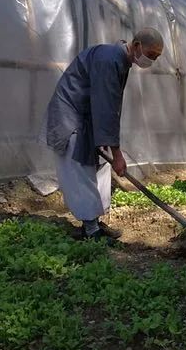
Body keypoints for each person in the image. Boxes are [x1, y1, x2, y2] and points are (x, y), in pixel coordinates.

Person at [42, 28, 164, 242]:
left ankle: (94, 222)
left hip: (87, 119)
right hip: (70, 118)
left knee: (100, 166)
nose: (151, 60)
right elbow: (105, 106)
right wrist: (117, 153)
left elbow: (109, 106)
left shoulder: (120, 61)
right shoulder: (110, 60)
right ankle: (91, 231)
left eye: (156, 57)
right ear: (136, 46)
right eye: (151, 55)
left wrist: (107, 141)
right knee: (80, 172)